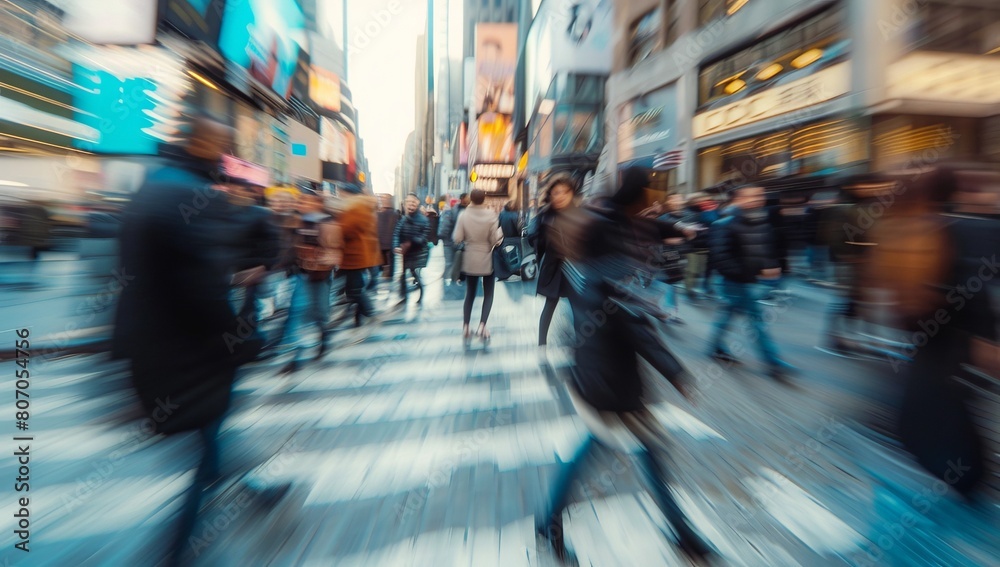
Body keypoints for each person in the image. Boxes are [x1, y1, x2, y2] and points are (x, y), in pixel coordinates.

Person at [111, 115, 283, 567]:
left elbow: (141, 276)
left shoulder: (151, 188)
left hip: (156, 349)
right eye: (226, 150)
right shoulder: (193, 196)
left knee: (212, 434)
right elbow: (203, 290)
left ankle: (251, 490)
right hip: (192, 353)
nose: (228, 161)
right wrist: (241, 340)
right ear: (213, 150)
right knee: (209, 439)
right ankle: (178, 551)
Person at [535, 167, 712, 564]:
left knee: (625, 449)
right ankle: (680, 534)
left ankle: (680, 533)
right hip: (612, 381)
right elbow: (636, 330)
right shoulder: (611, 271)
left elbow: (620, 317)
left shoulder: (586, 267)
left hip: (596, 373)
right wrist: (677, 373)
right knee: (635, 450)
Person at [707, 185, 793, 382]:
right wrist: (751, 271)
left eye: (759, 195)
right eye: (750, 196)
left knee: (728, 315)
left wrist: (771, 266)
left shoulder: (761, 220)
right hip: (735, 282)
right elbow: (721, 258)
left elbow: (764, 250)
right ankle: (773, 362)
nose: (756, 199)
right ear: (739, 198)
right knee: (757, 321)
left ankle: (715, 346)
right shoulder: (725, 224)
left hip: (751, 281)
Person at [280, 189, 343, 374]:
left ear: (317, 203)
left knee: (320, 312)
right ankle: (295, 356)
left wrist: (319, 264)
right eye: (300, 201)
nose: (301, 204)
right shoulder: (296, 221)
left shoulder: (328, 223)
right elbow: (289, 246)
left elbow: (333, 252)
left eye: (305, 201)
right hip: (301, 275)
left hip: (319, 276)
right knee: (298, 312)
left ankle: (324, 337)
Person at [527, 175, 578, 347]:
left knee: (578, 307)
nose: (560, 196)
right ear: (550, 195)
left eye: (565, 192)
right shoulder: (545, 215)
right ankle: (542, 343)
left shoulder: (579, 215)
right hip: (554, 266)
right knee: (550, 304)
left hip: (574, 267)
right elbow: (533, 237)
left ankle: (581, 344)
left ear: (571, 193)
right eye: (556, 192)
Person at [452, 189, 503, 344]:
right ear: (484, 199)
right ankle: (482, 326)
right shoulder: (491, 215)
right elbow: (496, 240)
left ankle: (466, 327)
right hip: (487, 259)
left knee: (470, 294)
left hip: (470, 259)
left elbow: (457, 238)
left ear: (470, 199)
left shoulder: (463, 215)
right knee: (488, 294)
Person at [337, 185, 381, 326]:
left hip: (356, 256)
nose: (340, 196)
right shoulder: (358, 206)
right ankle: (359, 315)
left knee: (354, 290)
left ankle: (369, 311)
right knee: (353, 289)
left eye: (342, 193)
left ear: (349, 194)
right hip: (354, 255)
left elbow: (347, 229)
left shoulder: (357, 207)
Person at [393, 193, 431, 305]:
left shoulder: (424, 220)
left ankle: (421, 293)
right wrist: (396, 245)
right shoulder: (403, 219)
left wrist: (411, 241)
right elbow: (396, 233)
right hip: (406, 252)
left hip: (418, 252)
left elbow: (423, 238)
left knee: (415, 274)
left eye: (413, 202)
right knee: (403, 274)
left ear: (417, 204)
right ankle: (404, 296)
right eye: (408, 202)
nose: (410, 205)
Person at [439, 192, 470, 284]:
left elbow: (443, 229)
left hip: (450, 242)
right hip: (455, 241)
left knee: (450, 263)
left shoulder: (451, 211)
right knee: (455, 263)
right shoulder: (457, 211)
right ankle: (452, 282)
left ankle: (449, 283)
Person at [374, 194, 399, 287]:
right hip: (387, 243)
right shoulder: (394, 213)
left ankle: (387, 277)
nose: (382, 200)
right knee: (388, 262)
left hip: (384, 243)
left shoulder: (381, 213)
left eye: (384, 199)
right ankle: (388, 277)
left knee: (386, 261)